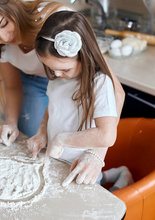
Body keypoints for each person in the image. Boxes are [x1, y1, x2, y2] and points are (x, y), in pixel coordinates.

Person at [0, 0, 125, 148]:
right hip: (33, 81)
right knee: (33, 139)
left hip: (74, 81)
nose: (5, 38)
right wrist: (11, 123)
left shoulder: (58, 21)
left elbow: (116, 93)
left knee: (78, 138)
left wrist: (96, 155)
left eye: (4, 24)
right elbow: (13, 87)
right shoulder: (0, 47)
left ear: (11, 6)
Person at [27, 11, 133, 189]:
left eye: (65, 69)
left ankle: (122, 179)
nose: (56, 74)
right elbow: (53, 107)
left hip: (82, 166)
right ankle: (115, 174)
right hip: (59, 162)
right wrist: (42, 132)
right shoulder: (58, 77)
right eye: (50, 68)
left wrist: (61, 139)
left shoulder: (99, 83)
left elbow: (107, 135)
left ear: (84, 56)